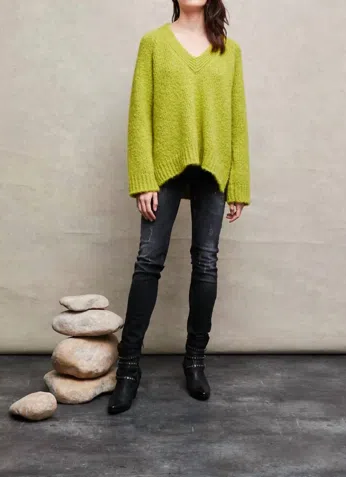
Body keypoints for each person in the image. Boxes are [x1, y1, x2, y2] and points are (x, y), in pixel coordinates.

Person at [108, 0, 250, 414]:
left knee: (206, 262)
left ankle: (195, 361)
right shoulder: (153, 43)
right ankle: (128, 369)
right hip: (163, 167)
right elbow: (139, 114)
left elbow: (237, 119)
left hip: (214, 166)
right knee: (148, 260)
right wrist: (143, 179)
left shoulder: (229, 50)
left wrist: (239, 183)